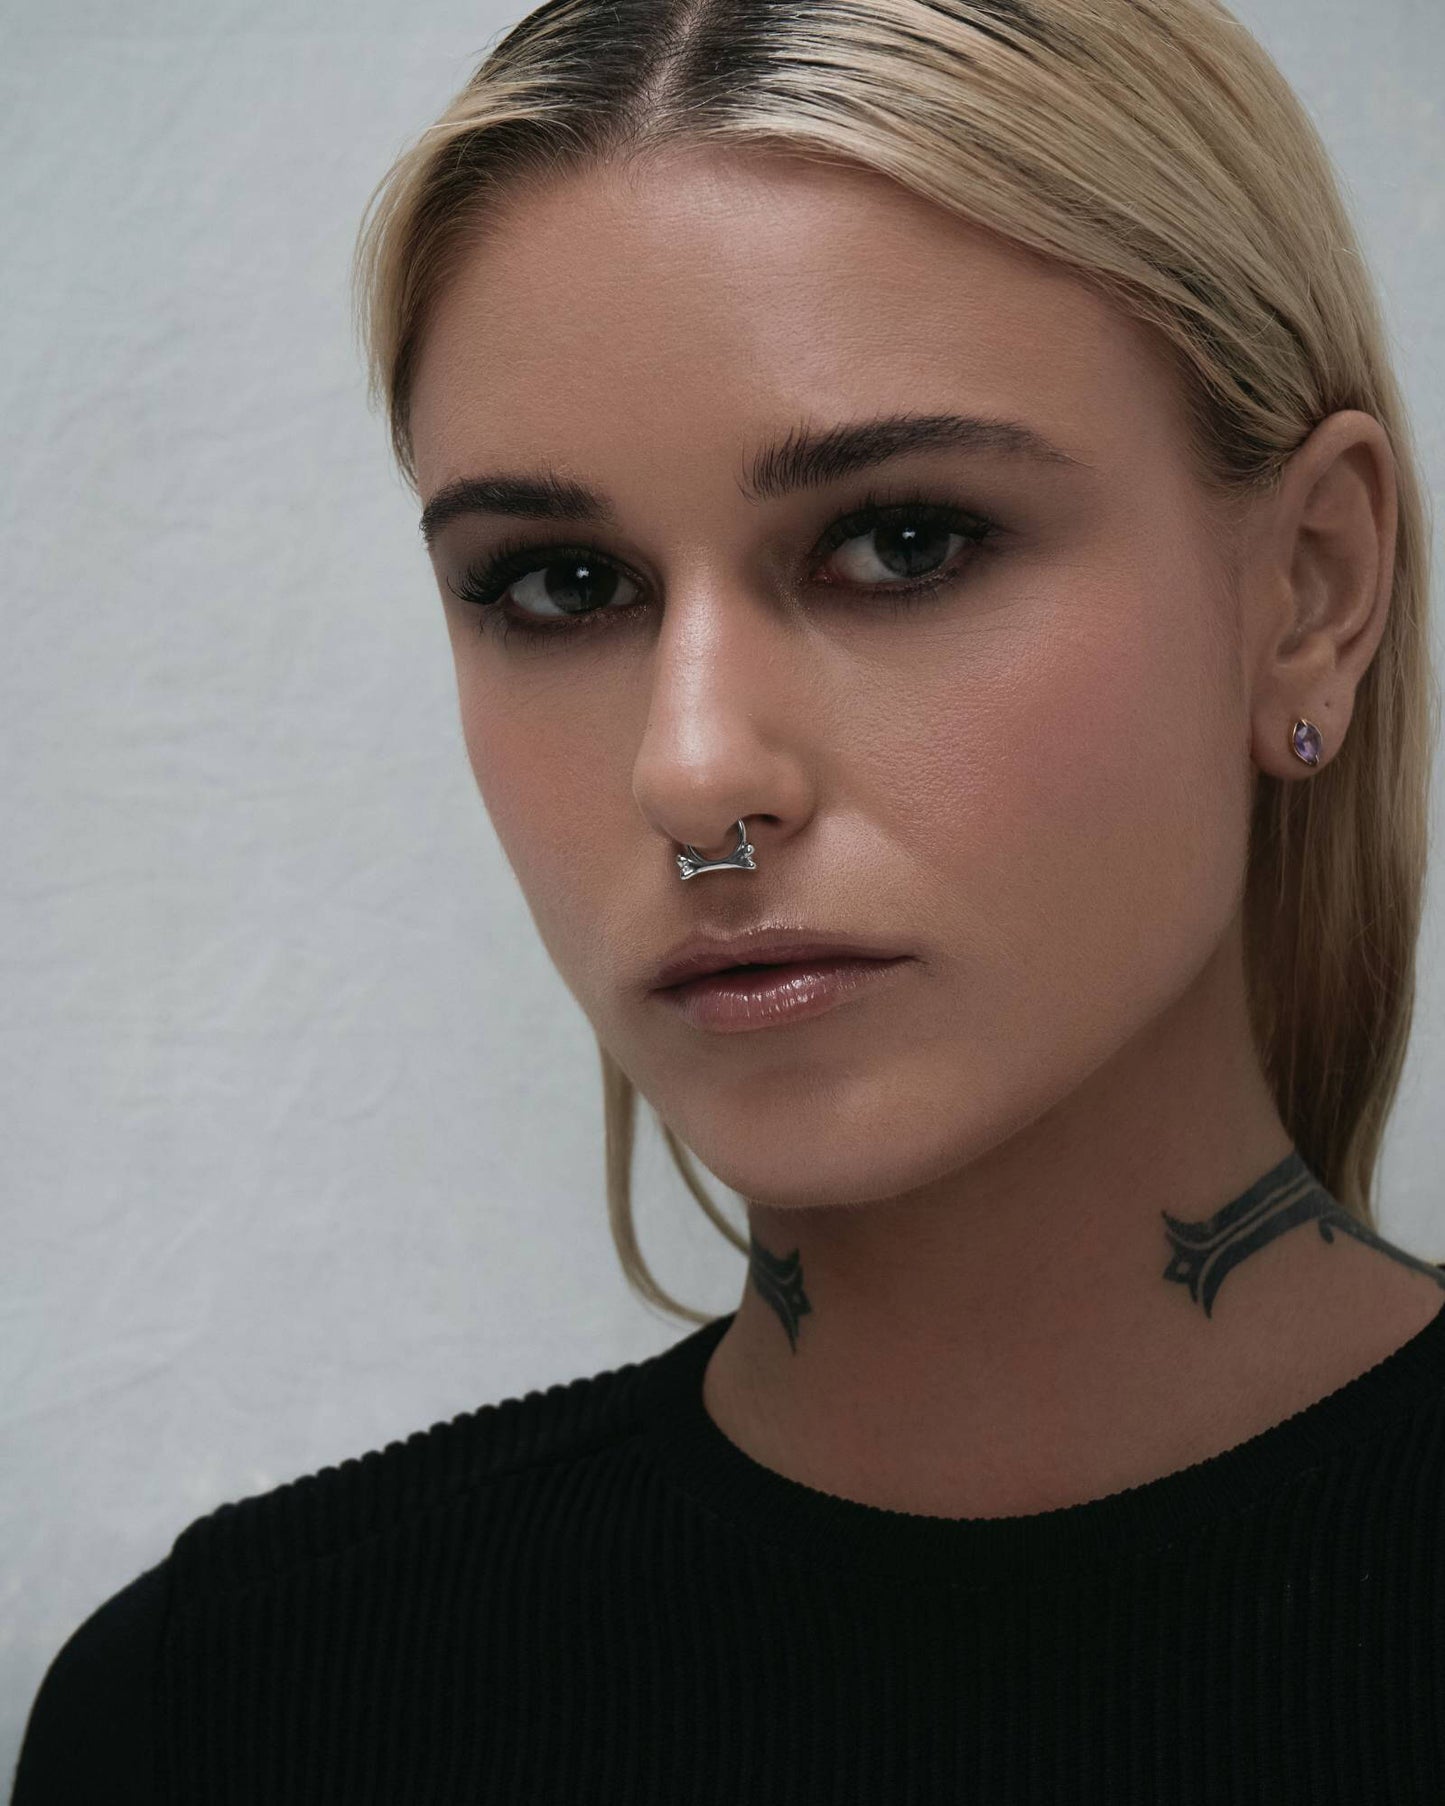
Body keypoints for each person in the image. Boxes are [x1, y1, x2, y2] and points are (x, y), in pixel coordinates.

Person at [12, 0, 1445, 1799]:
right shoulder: (220, 1714)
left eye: (902, 541)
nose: (690, 773)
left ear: (1309, 589)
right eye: (559, 583)